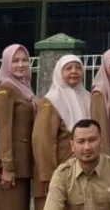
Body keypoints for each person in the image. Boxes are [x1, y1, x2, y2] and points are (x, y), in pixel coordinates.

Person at [34, 54, 91, 210]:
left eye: (78, 68)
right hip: (58, 172)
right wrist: (48, 176)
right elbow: (43, 140)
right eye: (68, 68)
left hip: (81, 171)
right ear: (59, 72)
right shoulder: (52, 100)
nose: (74, 71)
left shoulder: (87, 97)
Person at [43, 119, 110, 210]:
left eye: (92, 140)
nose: (87, 147)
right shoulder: (62, 174)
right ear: (72, 146)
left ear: (101, 142)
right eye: (81, 141)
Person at [0, 44, 38, 210]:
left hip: (24, 165)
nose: (21, 64)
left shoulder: (24, 88)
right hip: (12, 169)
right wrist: (7, 167)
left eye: (25, 60)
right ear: (6, 63)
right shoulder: (5, 89)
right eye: (15, 61)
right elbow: (3, 128)